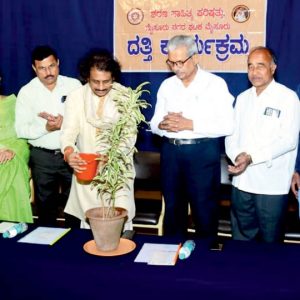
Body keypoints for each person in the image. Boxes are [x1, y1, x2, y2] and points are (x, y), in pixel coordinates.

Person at [150, 35, 234, 238]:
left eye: (180, 62)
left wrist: (190, 124)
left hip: (202, 153)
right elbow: (153, 123)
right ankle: (172, 258)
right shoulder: (167, 86)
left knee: (204, 211)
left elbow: (227, 125)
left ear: (195, 58)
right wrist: (162, 125)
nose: (176, 67)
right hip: (171, 153)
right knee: (173, 210)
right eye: (171, 62)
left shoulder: (215, 84)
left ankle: (205, 263)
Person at [225, 46, 300, 243]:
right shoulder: (242, 99)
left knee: (270, 243)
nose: (254, 71)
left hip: (271, 185)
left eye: (260, 66)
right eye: (250, 66)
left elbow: (289, 140)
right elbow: (231, 136)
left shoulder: (288, 97)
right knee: (241, 239)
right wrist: (237, 156)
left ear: (273, 68)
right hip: (242, 181)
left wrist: (252, 158)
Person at [61, 49, 135, 229]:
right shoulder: (76, 97)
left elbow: (129, 136)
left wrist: (111, 157)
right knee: (89, 226)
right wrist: (69, 152)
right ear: (87, 77)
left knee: (119, 223)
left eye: (106, 82)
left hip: (117, 173)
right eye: (96, 82)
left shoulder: (125, 96)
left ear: (114, 78)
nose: (101, 87)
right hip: (86, 172)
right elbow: (68, 131)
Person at [15, 45, 81, 226]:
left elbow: (85, 118)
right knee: (45, 208)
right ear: (34, 69)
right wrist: (46, 128)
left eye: (52, 66)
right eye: (42, 68)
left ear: (58, 63)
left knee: (74, 206)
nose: (48, 72)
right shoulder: (26, 92)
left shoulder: (74, 86)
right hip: (42, 157)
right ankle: (45, 248)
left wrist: (65, 122)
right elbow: (21, 130)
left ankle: (73, 246)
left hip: (72, 154)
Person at [0, 74, 33, 223]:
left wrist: (12, 151)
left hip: (12, 158)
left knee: (11, 165)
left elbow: (23, 138)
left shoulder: (14, 103)